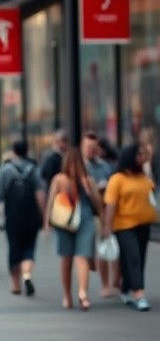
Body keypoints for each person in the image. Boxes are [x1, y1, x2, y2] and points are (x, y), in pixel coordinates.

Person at [45, 147, 103, 310]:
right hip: (78, 218)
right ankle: (78, 294)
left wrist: (47, 222)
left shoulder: (63, 179)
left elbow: (50, 201)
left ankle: (72, 295)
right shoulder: (81, 179)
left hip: (66, 219)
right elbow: (98, 205)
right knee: (77, 257)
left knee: (72, 257)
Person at [103, 142, 156, 311]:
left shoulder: (144, 178)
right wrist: (107, 227)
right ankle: (139, 293)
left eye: (143, 155)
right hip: (125, 225)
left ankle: (126, 289)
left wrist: (148, 169)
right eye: (139, 155)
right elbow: (111, 204)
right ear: (130, 157)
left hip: (144, 224)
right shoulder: (117, 179)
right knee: (133, 257)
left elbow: (152, 195)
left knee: (138, 257)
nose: (142, 158)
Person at [0, 137, 45, 296]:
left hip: (13, 217)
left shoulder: (6, 170)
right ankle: (27, 275)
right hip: (31, 216)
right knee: (29, 248)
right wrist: (42, 215)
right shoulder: (33, 169)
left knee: (14, 248)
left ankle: (15, 284)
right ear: (27, 151)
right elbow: (40, 194)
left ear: (14, 151)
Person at [82, 131, 117, 297]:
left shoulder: (104, 166)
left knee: (105, 248)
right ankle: (91, 262)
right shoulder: (80, 166)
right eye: (88, 147)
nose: (91, 150)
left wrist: (104, 187)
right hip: (85, 212)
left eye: (94, 147)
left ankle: (108, 284)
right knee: (88, 252)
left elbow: (113, 185)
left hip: (102, 212)